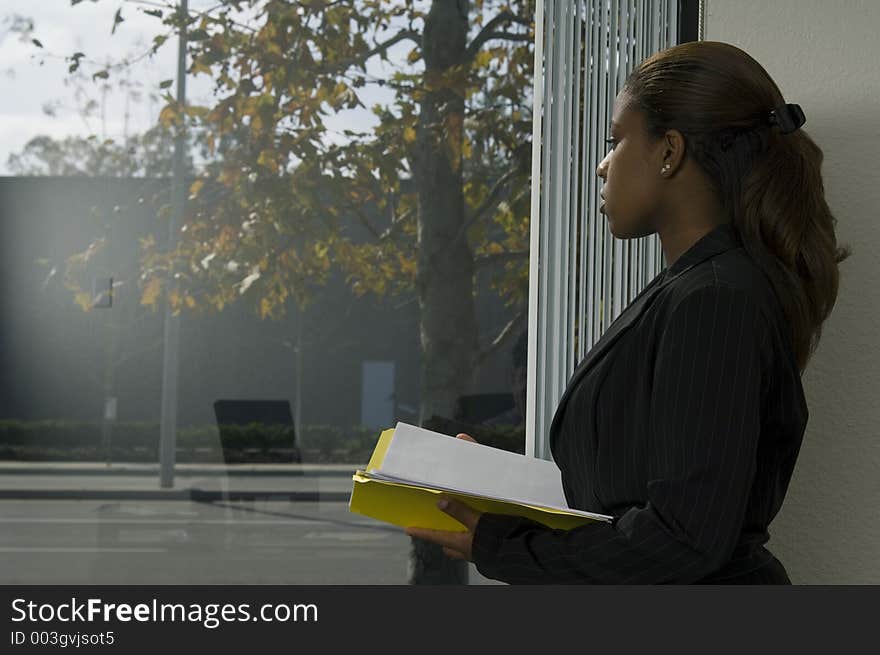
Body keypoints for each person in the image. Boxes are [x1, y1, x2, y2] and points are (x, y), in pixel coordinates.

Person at [405, 41, 850, 584]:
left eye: (616, 141)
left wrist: (503, 546)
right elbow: (633, 489)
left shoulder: (714, 300)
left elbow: (681, 538)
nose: (601, 166)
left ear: (669, 151)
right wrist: (502, 487)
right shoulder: (694, 289)